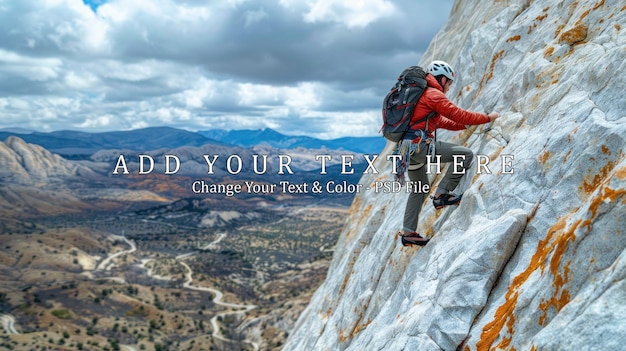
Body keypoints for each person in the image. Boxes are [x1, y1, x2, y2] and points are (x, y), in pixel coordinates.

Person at [400, 60, 500, 246]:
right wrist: (487, 118)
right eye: (450, 83)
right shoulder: (433, 94)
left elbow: (445, 122)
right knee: (464, 154)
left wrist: (467, 124)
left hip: (407, 150)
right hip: (420, 146)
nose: (449, 87)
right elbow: (458, 114)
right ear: (443, 79)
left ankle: (408, 233)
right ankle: (441, 196)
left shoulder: (420, 96)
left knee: (419, 188)